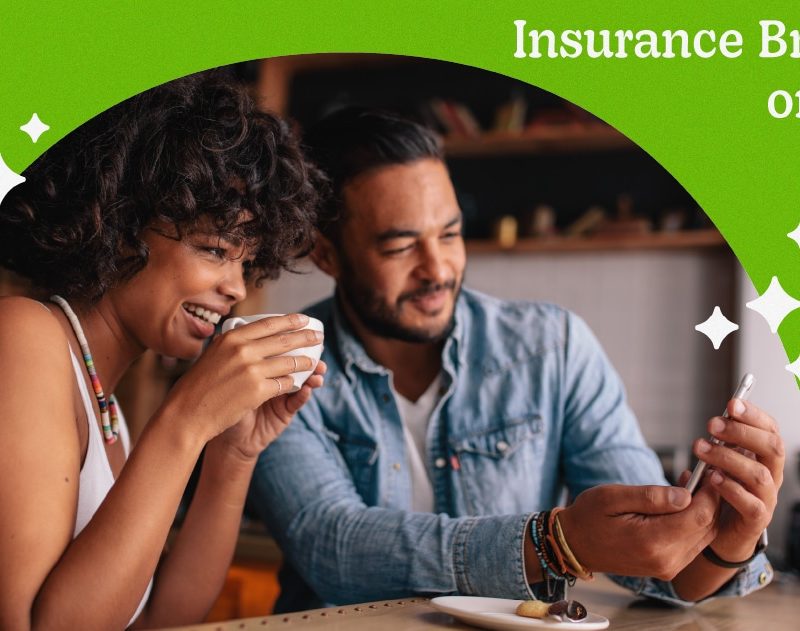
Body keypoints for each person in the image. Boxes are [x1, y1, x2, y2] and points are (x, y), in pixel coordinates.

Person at [248, 108, 784, 612]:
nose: (437, 269)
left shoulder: (554, 348)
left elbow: (658, 563)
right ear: (325, 254)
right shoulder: (281, 364)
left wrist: (725, 540)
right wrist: (553, 543)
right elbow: (331, 548)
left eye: (451, 234)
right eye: (400, 246)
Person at [0, 72, 326, 630]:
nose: (237, 289)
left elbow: (160, 617)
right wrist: (185, 420)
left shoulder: (107, 406)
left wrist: (232, 453)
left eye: (246, 262)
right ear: (120, 225)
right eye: (214, 249)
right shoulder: (23, 335)